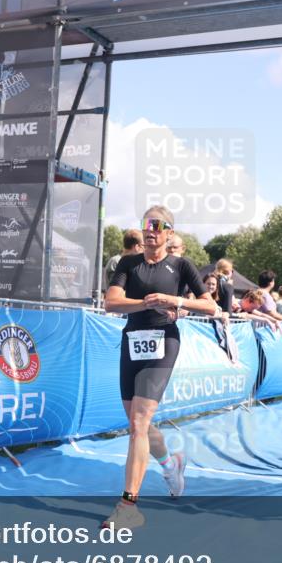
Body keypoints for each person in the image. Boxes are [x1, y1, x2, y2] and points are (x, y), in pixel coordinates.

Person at [103, 205, 217, 529]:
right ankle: (171, 462)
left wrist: (177, 302)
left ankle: (128, 507)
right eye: (145, 224)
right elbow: (110, 302)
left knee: (139, 422)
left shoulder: (181, 265)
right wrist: (145, 303)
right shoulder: (128, 263)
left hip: (164, 342)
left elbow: (210, 305)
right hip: (132, 340)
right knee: (137, 424)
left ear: (168, 232)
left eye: (157, 225)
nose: (150, 230)